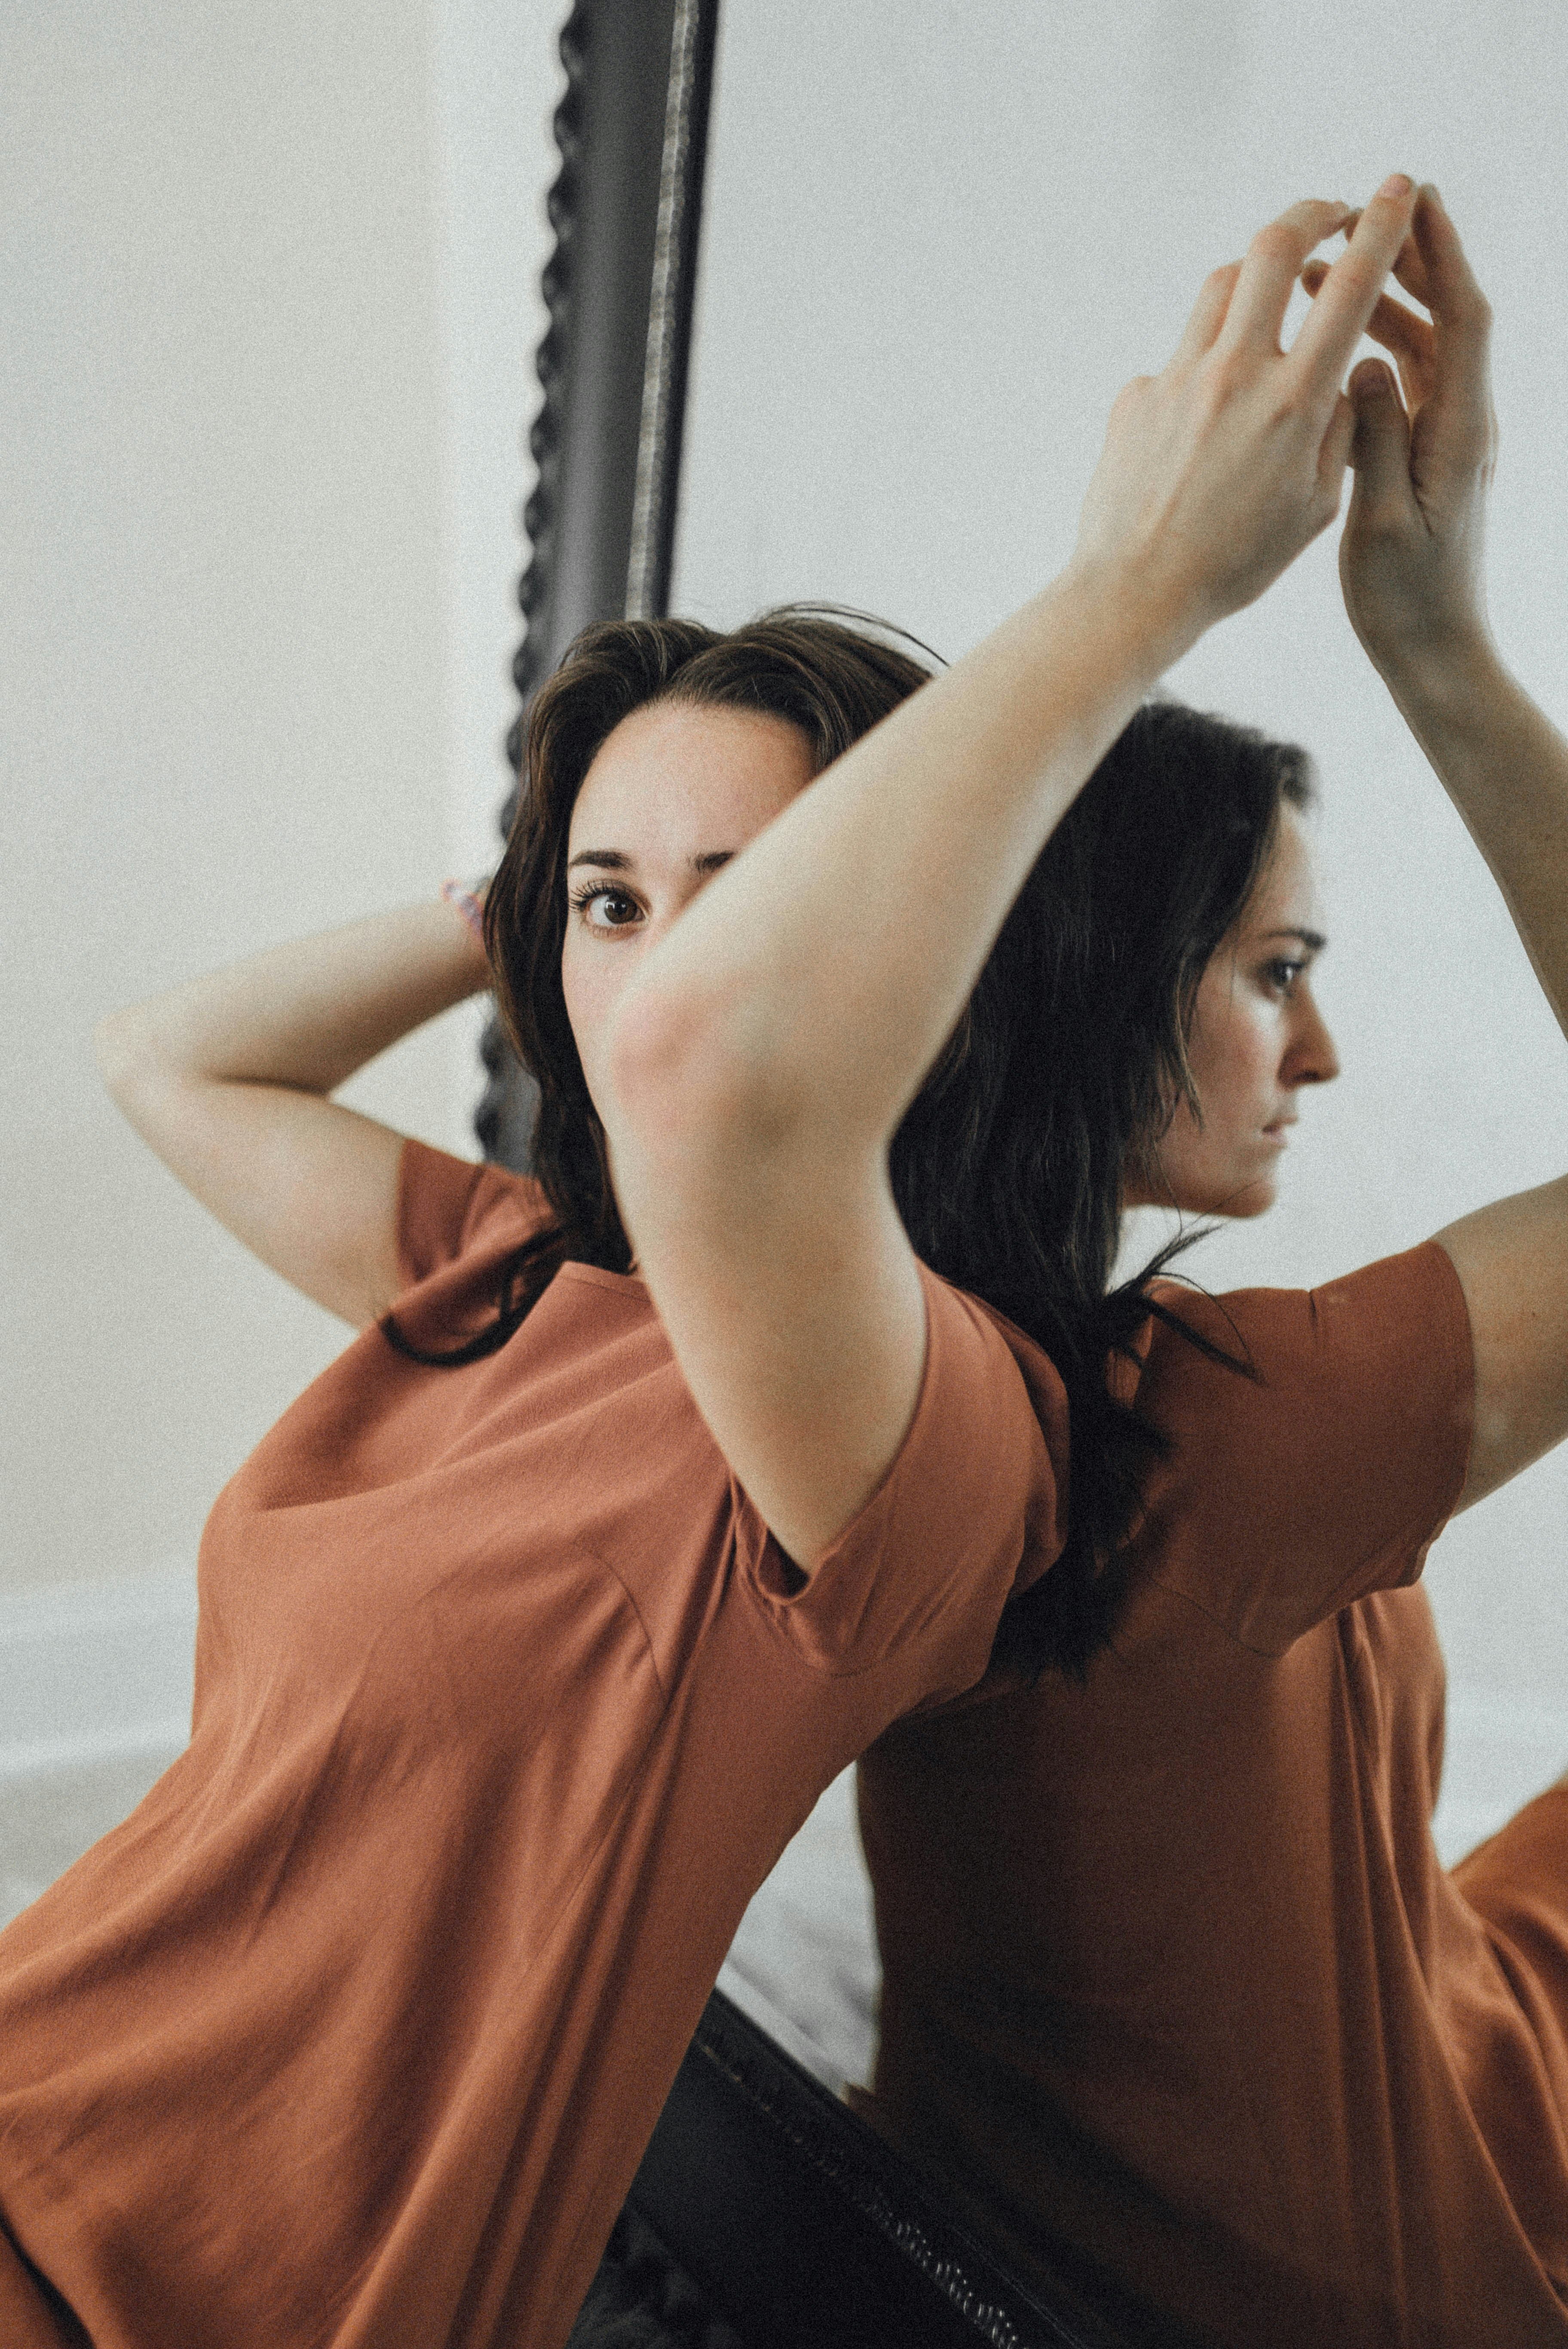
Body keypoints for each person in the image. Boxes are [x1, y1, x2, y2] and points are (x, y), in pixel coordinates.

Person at [0, 183, 1418, 2349]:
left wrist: (1142, 590)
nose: (653, 971)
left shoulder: (928, 1427)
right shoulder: (514, 1273)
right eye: (611, 904)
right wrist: (529, 890)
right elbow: (167, 1060)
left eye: (749, 903)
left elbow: (726, 1086)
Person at [854, 185, 1568, 2348]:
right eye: (1276, 975)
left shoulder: (892, 1371)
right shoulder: (1209, 1446)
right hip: (1395, 2254)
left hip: (1172, 2130)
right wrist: (1439, 641)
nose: (1325, 1052)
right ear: (1092, 997)